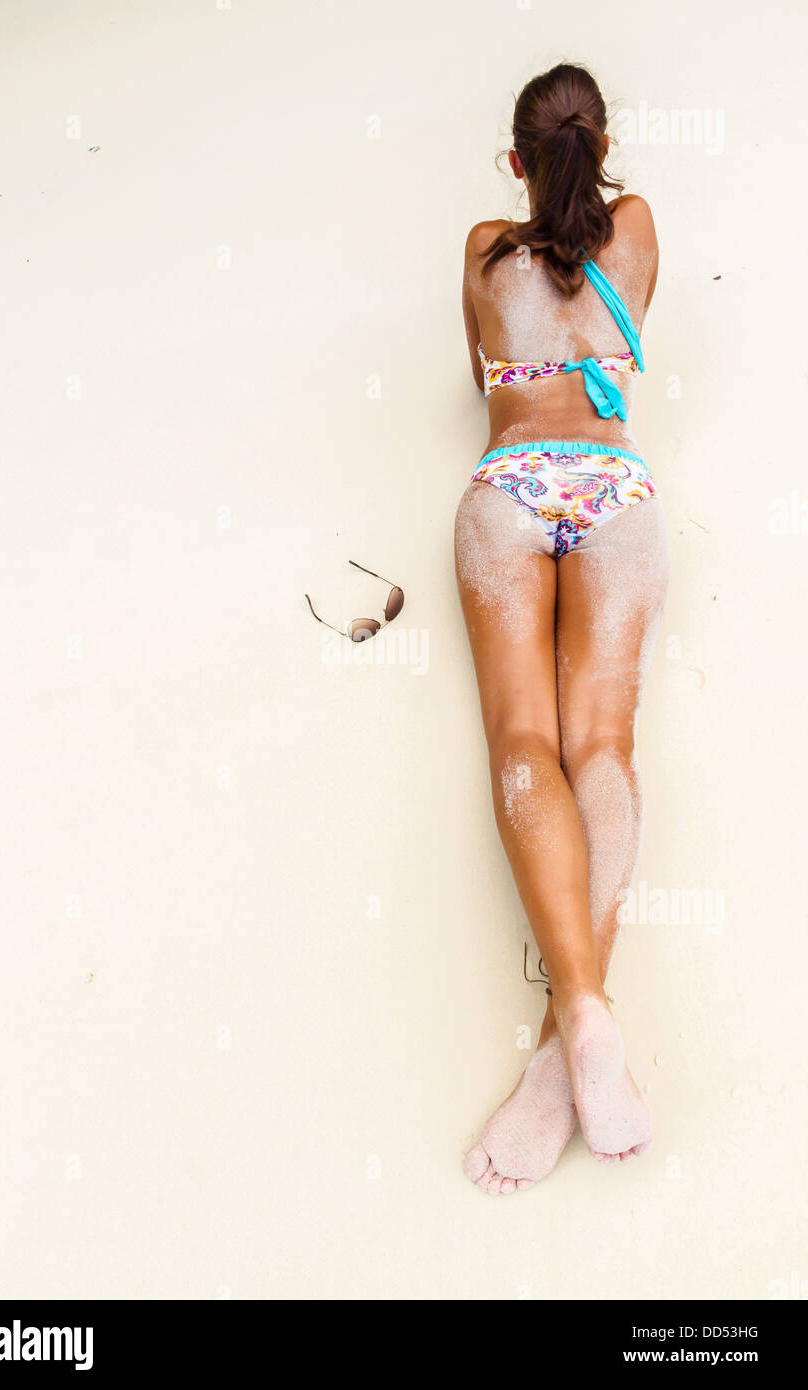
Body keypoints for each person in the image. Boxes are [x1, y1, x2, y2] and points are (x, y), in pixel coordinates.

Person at [455, 62, 669, 1194]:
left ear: (514, 162)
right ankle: (573, 1039)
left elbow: (480, 371)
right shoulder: (633, 231)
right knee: (602, 748)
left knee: (522, 746)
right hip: (612, 487)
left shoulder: (486, 248)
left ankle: (571, 1025)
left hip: (510, 482)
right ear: (601, 145)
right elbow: (625, 351)